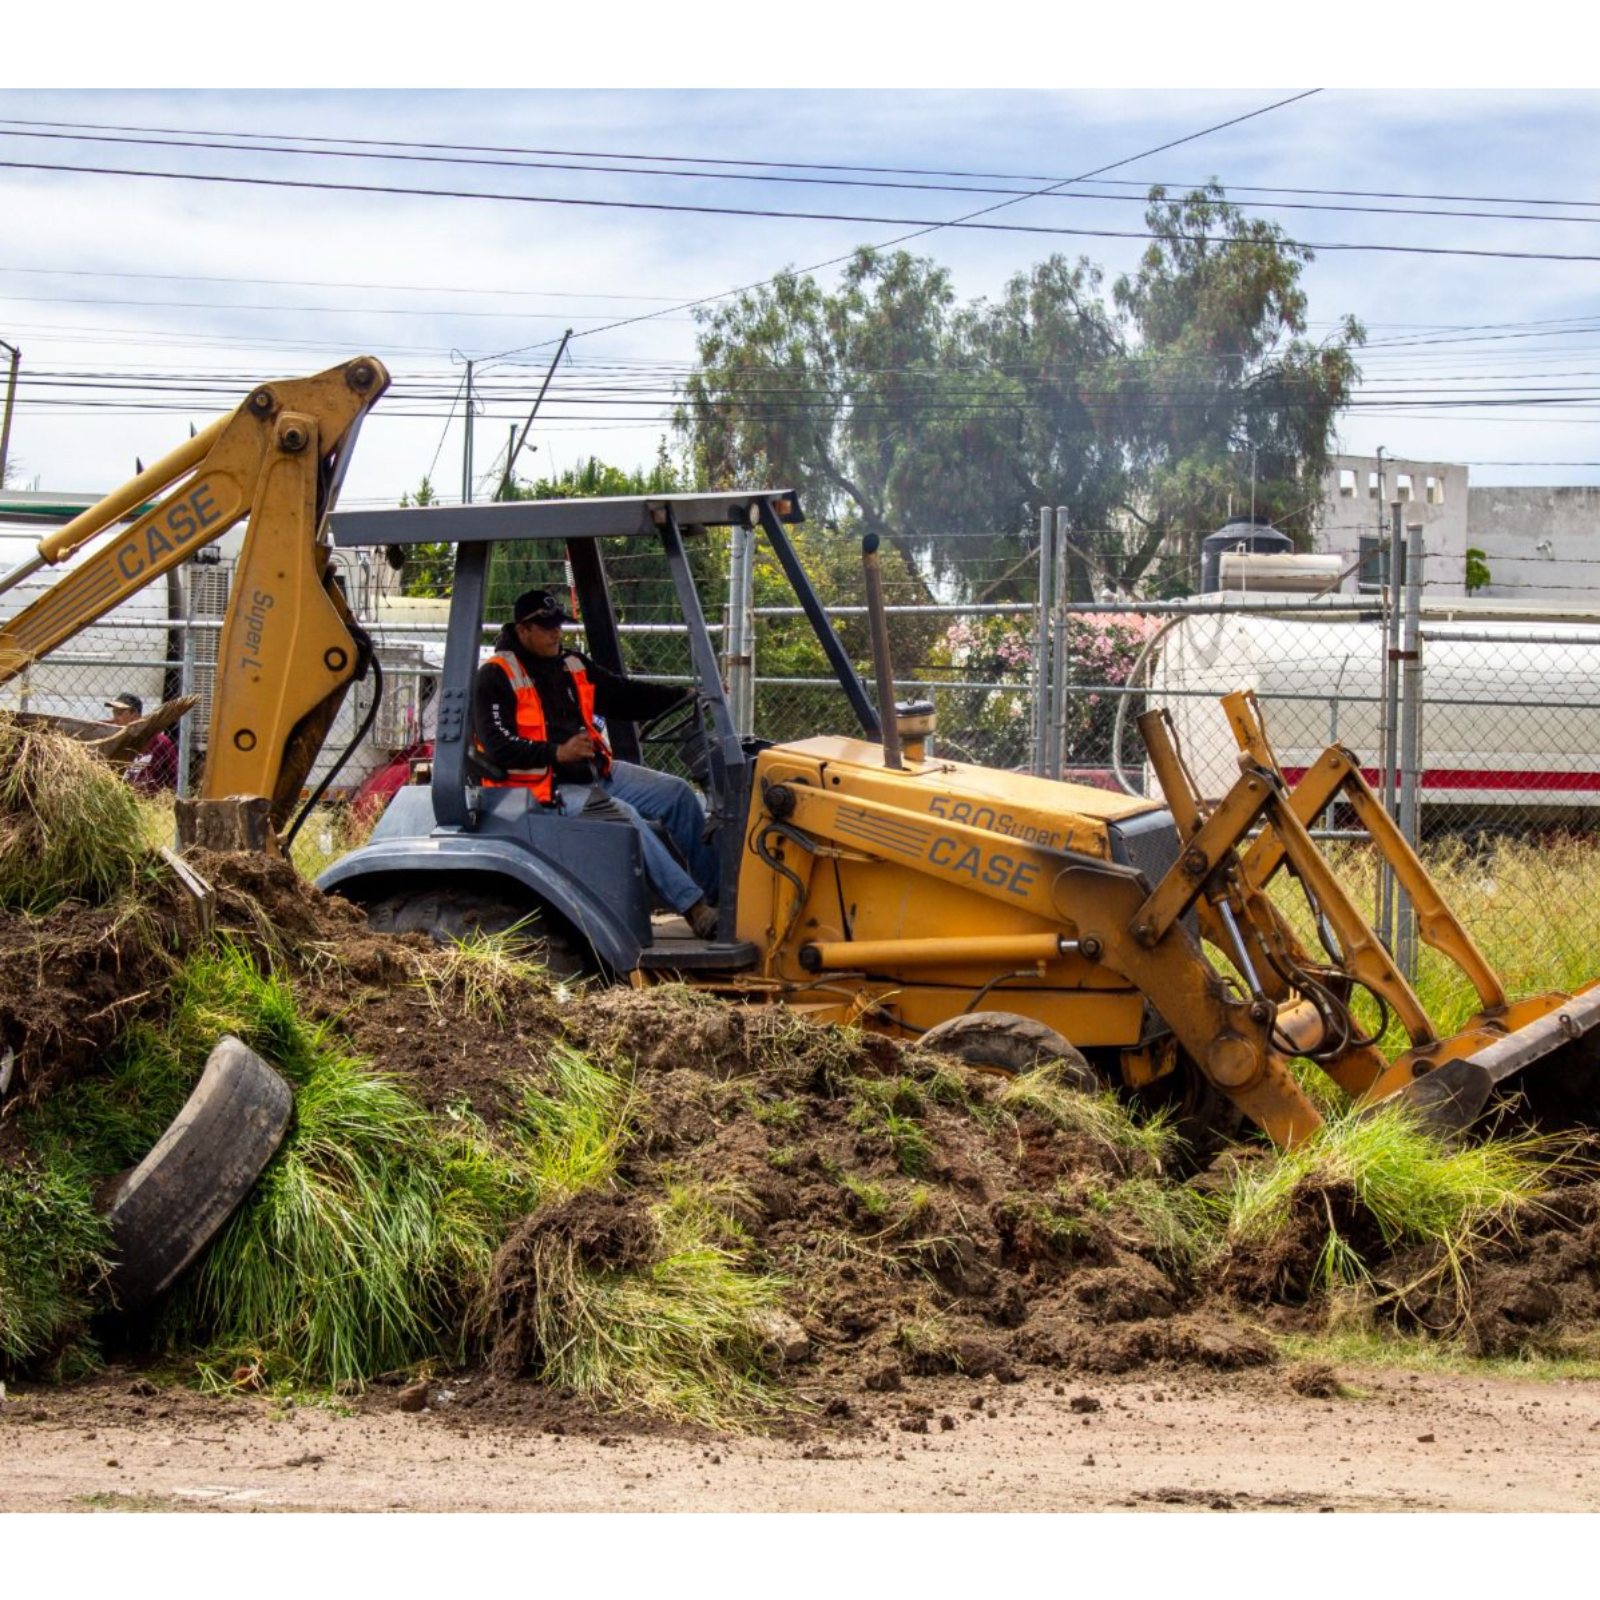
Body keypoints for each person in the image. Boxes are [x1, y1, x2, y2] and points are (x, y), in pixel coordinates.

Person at [472, 589, 721, 938]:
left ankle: (718, 897)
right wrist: (557, 753)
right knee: (623, 816)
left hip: (592, 772)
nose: (556, 633)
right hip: (538, 792)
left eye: (558, 625)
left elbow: (623, 695)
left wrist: (682, 695)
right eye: (546, 627)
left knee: (677, 793)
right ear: (522, 629)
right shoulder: (496, 676)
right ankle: (695, 909)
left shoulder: (570, 664)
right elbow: (497, 745)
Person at [105, 692, 179, 795]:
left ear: (134, 714)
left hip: (150, 800)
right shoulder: (114, 741)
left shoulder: (160, 742)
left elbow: (174, 777)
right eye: (114, 713)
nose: (115, 719)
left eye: (119, 713)